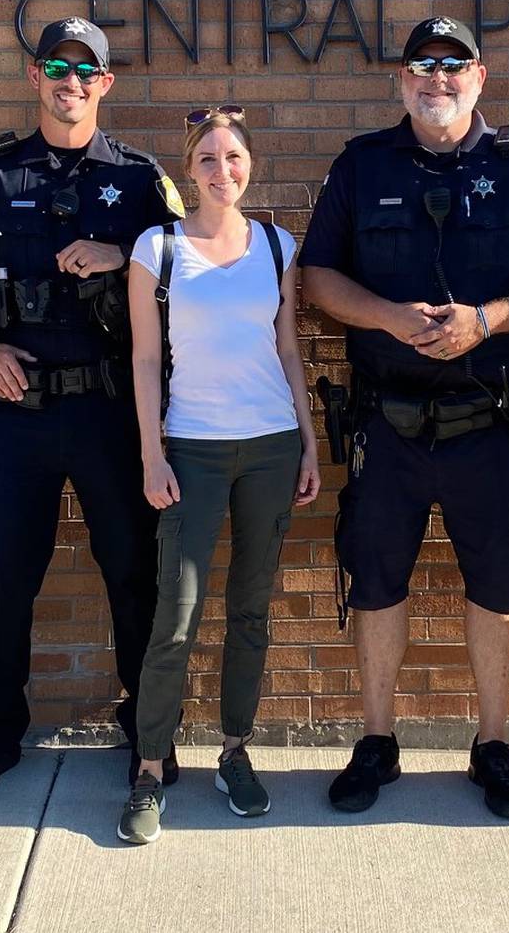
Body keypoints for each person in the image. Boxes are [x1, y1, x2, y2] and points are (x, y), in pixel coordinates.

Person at [299, 16, 509, 820]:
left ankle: (493, 744)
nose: (437, 78)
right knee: (377, 585)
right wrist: (388, 318)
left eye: (453, 64)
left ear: (479, 77)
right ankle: (378, 740)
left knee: (495, 590)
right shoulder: (362, 166)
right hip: (384, 427)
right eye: (422, 65)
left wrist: (489, 318)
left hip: (487, 425)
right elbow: (318, 275)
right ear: (401, 80)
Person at [0, 17, 184, 799]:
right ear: (36, 76)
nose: (72, 81)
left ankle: (149, 736)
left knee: (136, 576)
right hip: (18, 414)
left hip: (111, 412)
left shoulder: (140, 181)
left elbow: (193, 274)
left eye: (87, 70)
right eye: (57, 66)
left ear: (106, 84)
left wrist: (129, 253)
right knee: (1, 577)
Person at [116, 108, 321, 845]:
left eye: (233, 156)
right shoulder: (156, 248)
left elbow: (288, 350)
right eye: (207, 158)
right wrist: (151, 455)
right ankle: (147, 768)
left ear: (250, 164)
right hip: (193, 450)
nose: (221, 169)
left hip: (268, 445)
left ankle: (235, 749)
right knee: (176, 616)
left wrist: (308, 443)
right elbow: (143, 361)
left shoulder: (276, 244)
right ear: (188, 170)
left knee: (252, 611)